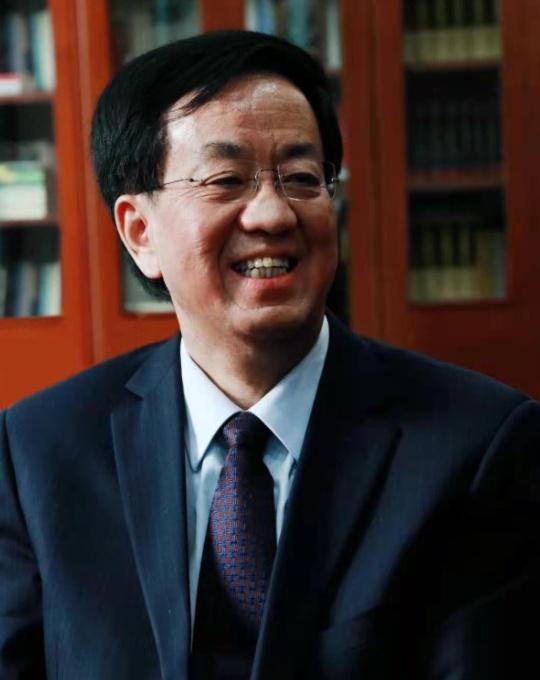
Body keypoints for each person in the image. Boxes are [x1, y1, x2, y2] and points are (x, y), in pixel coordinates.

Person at [0, 29, 539, 680]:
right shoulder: (37, 453)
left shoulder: (478, 446)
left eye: (303, 178)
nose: (273, 215)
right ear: (140, 233)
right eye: (226, 180)